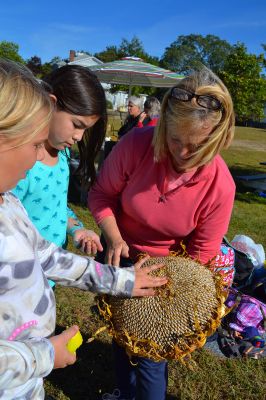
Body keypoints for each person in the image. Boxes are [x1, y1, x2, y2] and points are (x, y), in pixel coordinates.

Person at [0, 59, 168, 400]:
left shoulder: (9, 206)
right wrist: (44, 356)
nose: (37, 159)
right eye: (33, 145)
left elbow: (49, 257)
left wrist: (122, 281)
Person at [88, 68, 236, 400]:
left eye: (197, 145)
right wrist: (113, 236)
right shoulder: (135, 145)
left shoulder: (221, 186)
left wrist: (170, 291)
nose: (183, 154)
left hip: (171, 274)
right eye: (174, 140)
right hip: (120, 253)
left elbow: (200, 258)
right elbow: (101, 195)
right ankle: (123, 392)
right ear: (163, 127)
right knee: (120, 332)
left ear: (217, 137)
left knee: (151, 355)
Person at [12, 65, 105, 255]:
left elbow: (56, 206)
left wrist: (77, 228)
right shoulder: (19, 164)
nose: (79, 136)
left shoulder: (64, 155)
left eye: (85, 129)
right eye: (77, 125)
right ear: (51, 104)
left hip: (53, 274)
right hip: (24, 276)